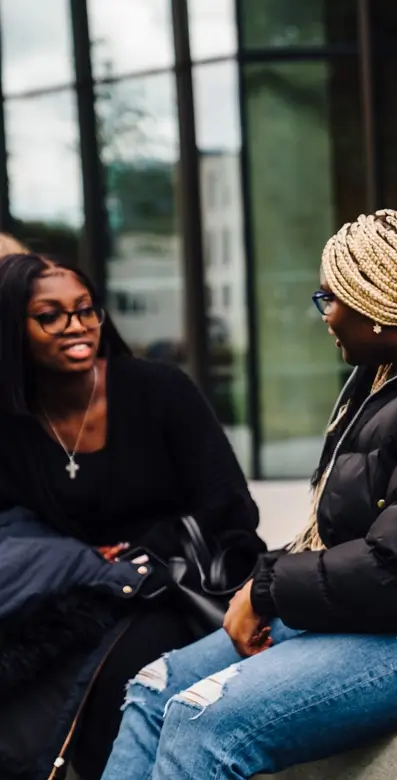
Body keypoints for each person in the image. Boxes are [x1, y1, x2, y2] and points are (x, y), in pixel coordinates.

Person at [103, 209, 397, 780]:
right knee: (154, 690)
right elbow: (357, 538)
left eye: (331, 299)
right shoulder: (390, 377)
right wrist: (270, 585)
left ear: (378, 306)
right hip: (385, 604)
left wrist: (268, 588)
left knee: (204, 720)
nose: (326, 316)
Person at [0, 254, 265, 780]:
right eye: (50, 316)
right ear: (12, 329)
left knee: (118, 682)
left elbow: (229, 504)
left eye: (85, 310)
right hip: (77, 588)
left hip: (176, 583)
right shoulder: (11, 420)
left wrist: (140, 553)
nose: (76, 325)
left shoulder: (157, 388)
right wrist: (76, 561)